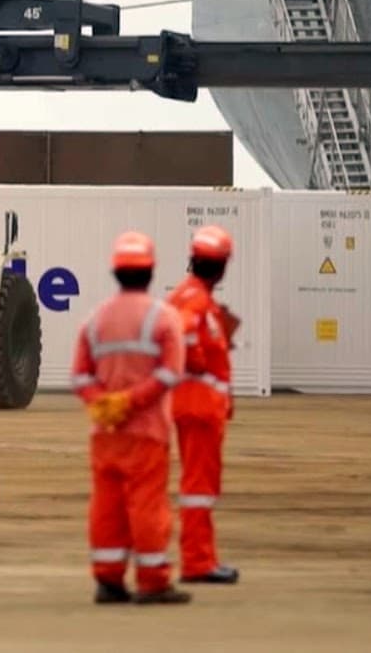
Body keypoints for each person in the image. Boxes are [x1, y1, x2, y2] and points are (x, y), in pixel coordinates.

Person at [71, 231, 191, 606]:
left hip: (104, 432)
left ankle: (108, 581)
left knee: (106, 507)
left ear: (115, 271)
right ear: (151, 271)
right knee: (147, 506)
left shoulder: (96, 319)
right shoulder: (163, 318)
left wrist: (103, 402)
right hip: (147, 432)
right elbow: (170, 373)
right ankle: (153, 580)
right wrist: (131, 401)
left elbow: (79, 376)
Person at [166, 226, 240, 585]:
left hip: (196, 406)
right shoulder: (194, 300)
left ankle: (203, 557)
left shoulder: (192, 296)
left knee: (201, 486)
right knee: (199, 487)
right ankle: (198, 561)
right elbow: (180, 335)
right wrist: (195, 358)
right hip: (198, 408)